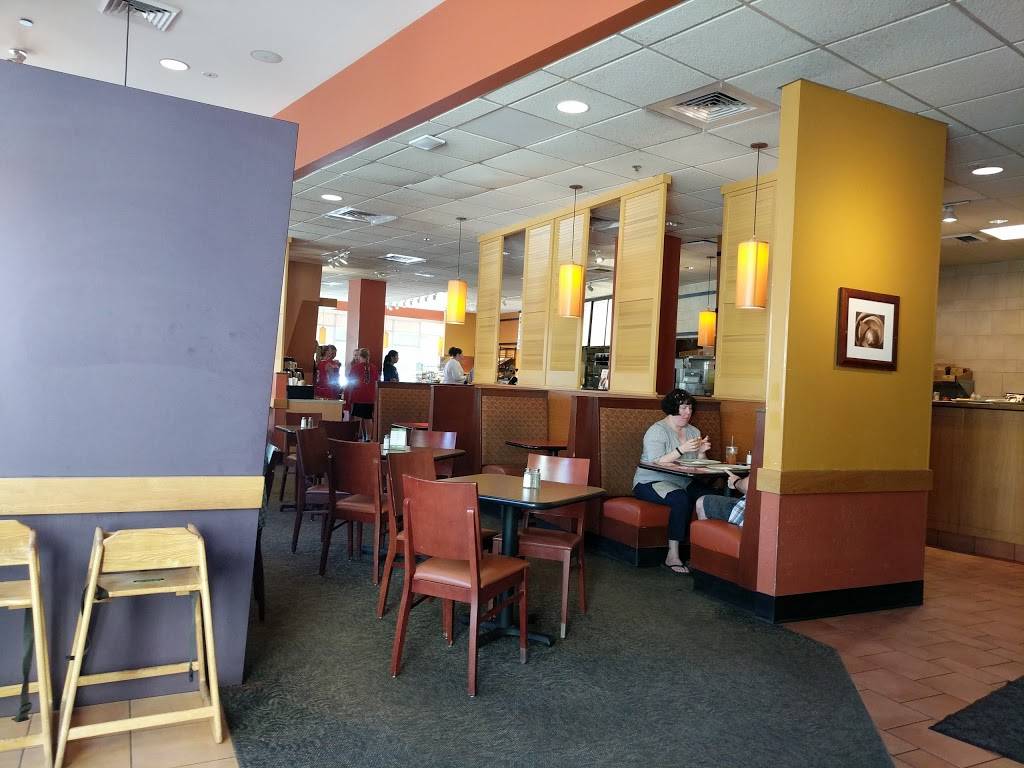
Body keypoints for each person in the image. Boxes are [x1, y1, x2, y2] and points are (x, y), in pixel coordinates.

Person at [631, 389, 712, 574]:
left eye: (690, 408)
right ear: (672, 408)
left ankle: (704, 554)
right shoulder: (657, 431)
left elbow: (699, 465)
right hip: (650, 481)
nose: (687, 413)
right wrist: (682, 449)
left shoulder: (694, 431)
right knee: (681, 499)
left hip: (682, 480)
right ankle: (672, 555)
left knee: (711, 497)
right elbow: (655, 462)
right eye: (683, 408)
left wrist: (701, 452)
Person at [349, 348, 376, 441]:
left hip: (358, 395)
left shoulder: (355, 367)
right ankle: (368, 438)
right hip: (370, 396)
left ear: (359, 356)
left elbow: (351, 382)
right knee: (368, 417)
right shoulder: (373, 368)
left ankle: (357, 436)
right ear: (368, 356)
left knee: (358, 418)